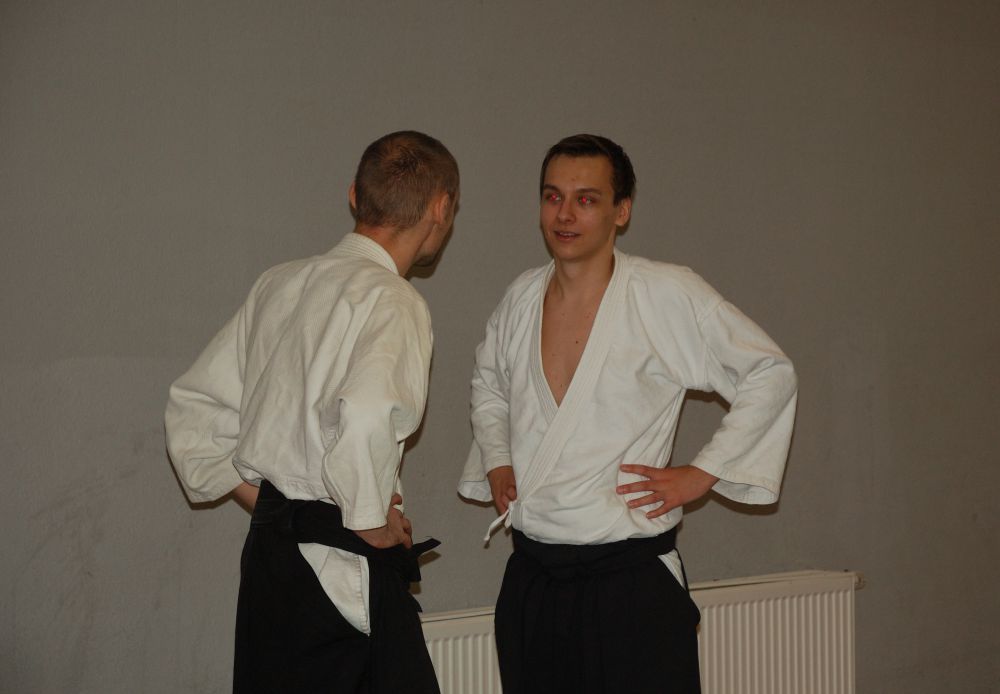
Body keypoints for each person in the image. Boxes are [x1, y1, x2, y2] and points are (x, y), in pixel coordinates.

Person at [458, 134, 797, 693]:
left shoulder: (664, 293)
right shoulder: (520, 298)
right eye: (552, 196)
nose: (564, 214)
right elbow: (488, 385)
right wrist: (497, 458)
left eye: (586, 199)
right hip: (534, 577)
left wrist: (703, 473)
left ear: (622, 211)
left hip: (631, 583)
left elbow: (769, 372)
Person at [165, 130, 459, 694]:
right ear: (441, 208)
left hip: (271, 565)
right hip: (340, 576)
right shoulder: (394, 300)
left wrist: (276, 507)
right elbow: (367, 412)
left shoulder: (279, 284)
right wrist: (369, 520)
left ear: (354, 195)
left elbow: (193, 411)